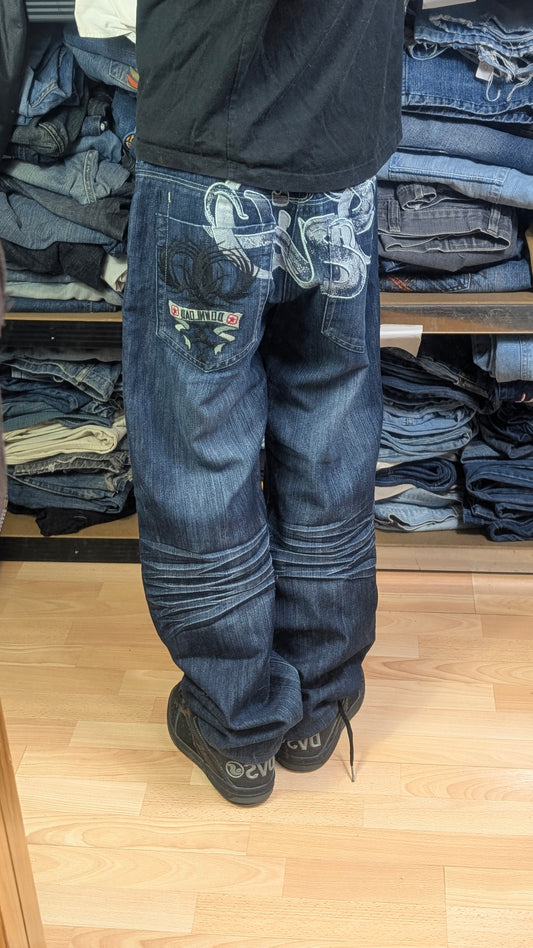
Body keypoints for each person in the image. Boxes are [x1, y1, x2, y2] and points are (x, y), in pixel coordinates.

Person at [122, 0, 405, 805]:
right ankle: (316, 705)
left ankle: (237, 725)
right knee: (329, 431)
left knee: (199, 449)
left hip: (207, 126)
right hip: (342, 126)